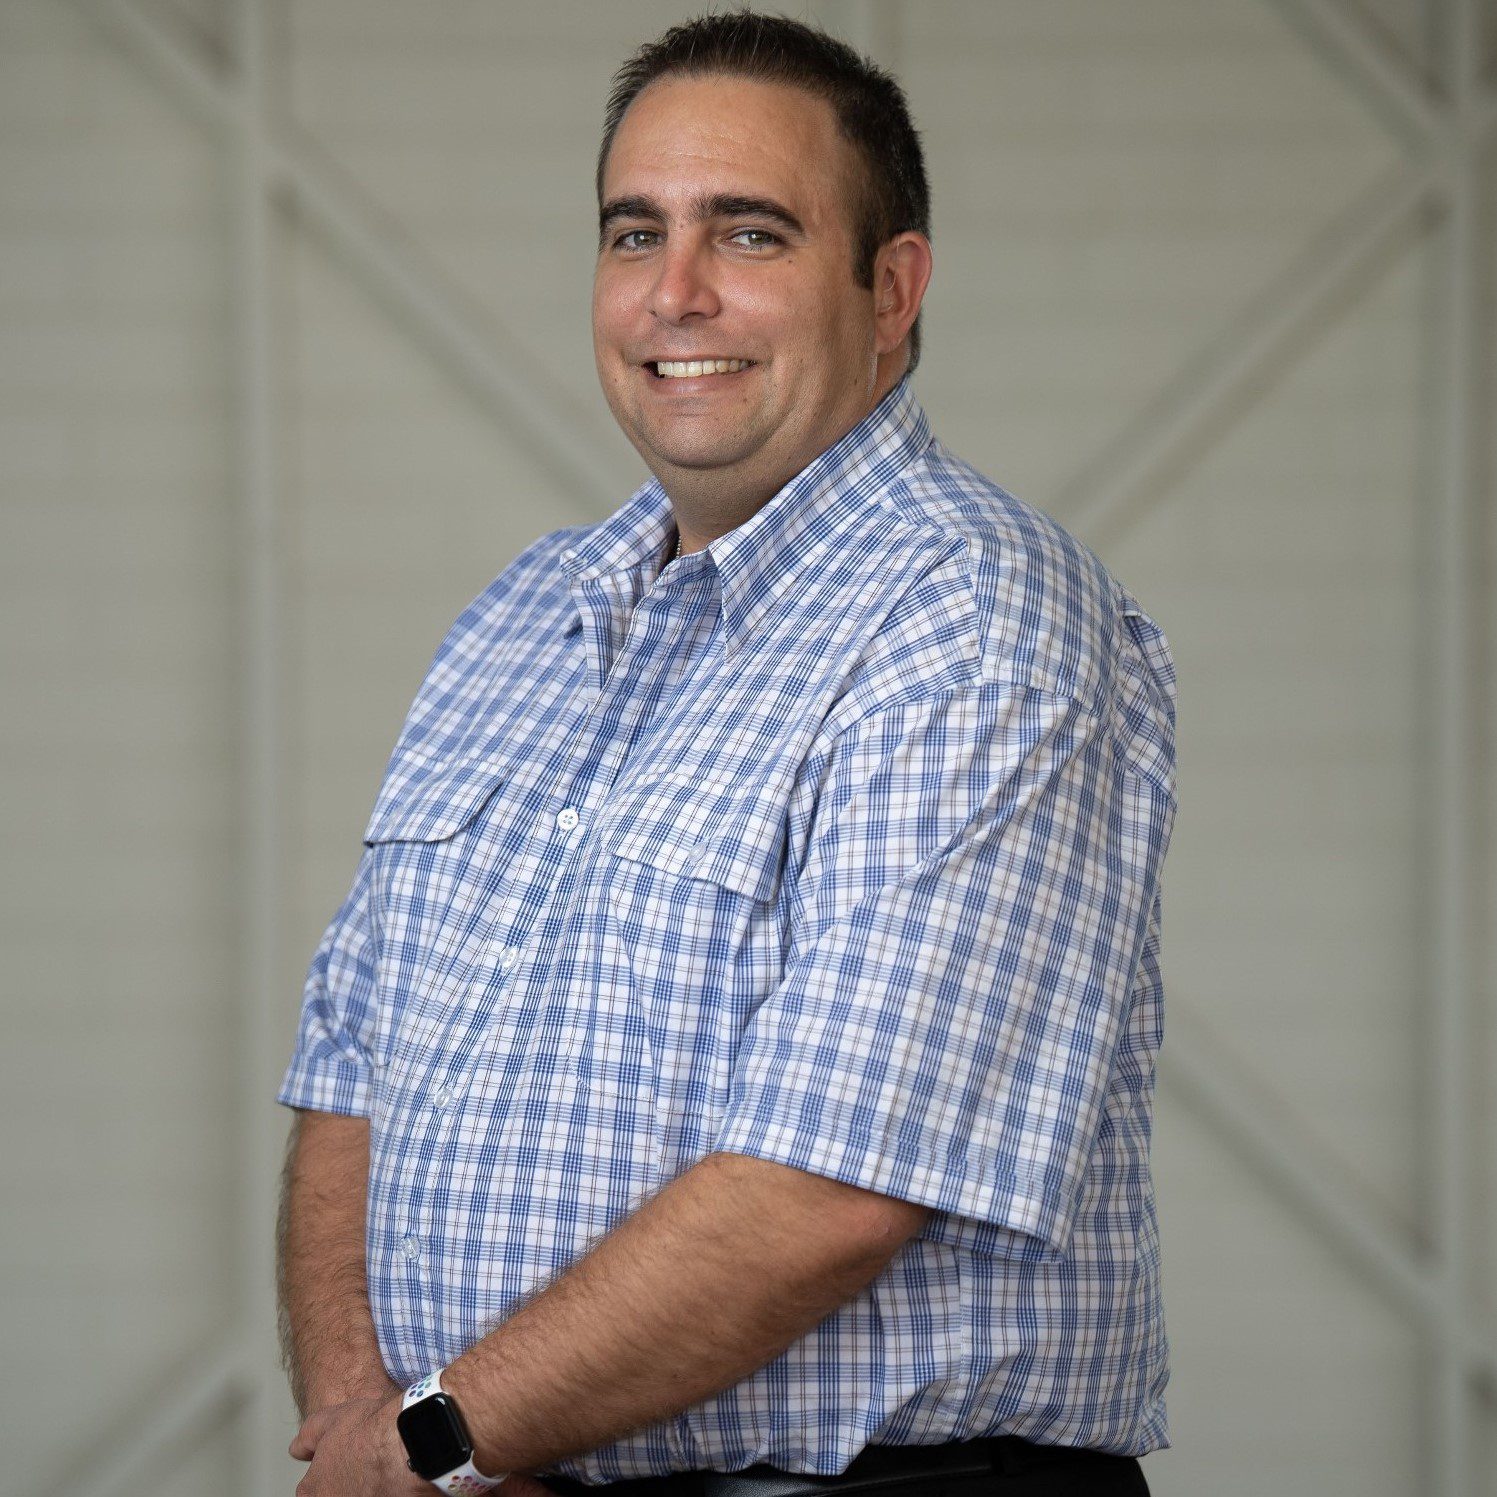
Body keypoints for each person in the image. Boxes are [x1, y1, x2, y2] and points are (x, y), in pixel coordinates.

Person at [277, 14, 1176, 1497]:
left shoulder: (977, 620)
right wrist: (365, 1418)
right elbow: (349, 1060)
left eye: (747, 233)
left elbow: (829, 1187)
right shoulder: (523, 617)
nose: (673, 292)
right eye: (635, 232)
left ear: (889, 290)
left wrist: (437, 1435)